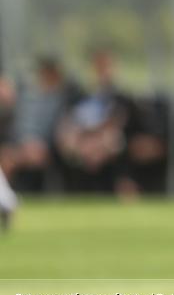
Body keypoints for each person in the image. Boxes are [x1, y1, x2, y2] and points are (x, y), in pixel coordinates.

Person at [55, 49, 135, 196]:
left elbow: (116, 121)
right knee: (68, 143)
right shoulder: (80, 94)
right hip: (82, 137)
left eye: (105, 66)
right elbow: (71, 119)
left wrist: (94, 137)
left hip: (104, 138)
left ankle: (121, 186)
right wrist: (81, 137)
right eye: (98, 67)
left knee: (111, 141)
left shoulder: (120, 96)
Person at [0, 57, 81, 192]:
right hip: (22, 145)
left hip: (46, 147)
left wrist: (40, 145)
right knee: (6, 157)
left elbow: (60, 129)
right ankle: (6, 197)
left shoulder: (62, 101)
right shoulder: (28, 97)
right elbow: (19, 126)